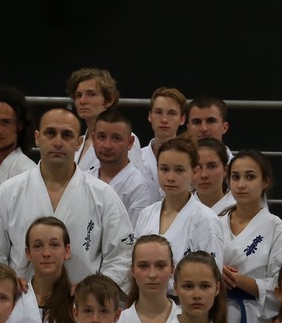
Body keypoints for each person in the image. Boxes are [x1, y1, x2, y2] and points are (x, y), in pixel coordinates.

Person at [0, 108, 135, 290]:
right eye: (50, 133)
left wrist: (95, 292)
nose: (58, 142)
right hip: (21, 301)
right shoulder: (8, 192)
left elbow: (121, 256)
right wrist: (6, 284)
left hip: (83, 304)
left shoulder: (103, 195)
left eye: (67, 135)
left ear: (79, 143)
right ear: (37, 138)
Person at [218, 150, 282, 323]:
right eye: (235, 177)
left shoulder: (278, 228)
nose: (241, 184)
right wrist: (215, 273)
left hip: (255, 321)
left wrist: (239, 280)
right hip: (216, 313)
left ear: (265, 181)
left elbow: (279, 286)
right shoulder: (214, 223)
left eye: (250, 177)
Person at [132, 136, 223, 269]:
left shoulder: (206, 219)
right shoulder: (146, 214)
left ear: (195, 172)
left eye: (179, 170)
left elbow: (212, 274)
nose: (170, 177)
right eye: (164, 169)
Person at [6, 217, 79, 323]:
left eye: (54, 245)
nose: (46, 253)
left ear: (67, 251)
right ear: (28, 253)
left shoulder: (79, 303)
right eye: (38, 246)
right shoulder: (13, 299)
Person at [66, 66, 141, 174]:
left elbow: (134, 178)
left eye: (91, 94)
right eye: (78, 95)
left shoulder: (123, 138)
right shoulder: (81, 141)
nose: (82, 101)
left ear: (109, 100)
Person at [85, 107, 156, 221]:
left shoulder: (143, 188)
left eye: (116, 138)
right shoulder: (82, 180)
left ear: (130, 142)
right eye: (102, 137)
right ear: (93, 139)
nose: (107, 145)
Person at [113, 234, 178, 323]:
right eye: (143, 266)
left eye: (160, 266)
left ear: (172, 270)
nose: (152, 274)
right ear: (133, 270)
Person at [138, 86, 187, 180]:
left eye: (171, 113)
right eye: (158, 112)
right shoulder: (138, 159)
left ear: (182, 119)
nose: (164, 120)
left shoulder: (190, 159)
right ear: (150, 116)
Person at [194, 138, 233, 213]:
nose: (204, 175)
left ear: (225, 170)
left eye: (211, 166)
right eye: (198, 167)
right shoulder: (179, 210)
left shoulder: (240, 209)